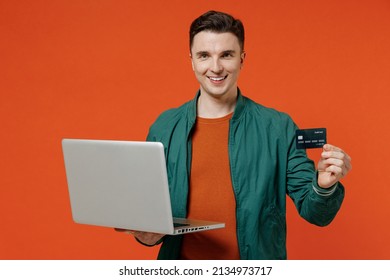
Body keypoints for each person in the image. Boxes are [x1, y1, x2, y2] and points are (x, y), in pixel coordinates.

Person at [116, 10, 352, 260]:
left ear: (242, 58)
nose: (215, 67)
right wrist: (147, 233)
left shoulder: (279, 127)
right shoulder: (164, 126)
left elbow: (315, 212)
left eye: (226, 55)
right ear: (192, 60)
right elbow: (152, 217)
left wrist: (324, 186)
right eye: (204, 55)